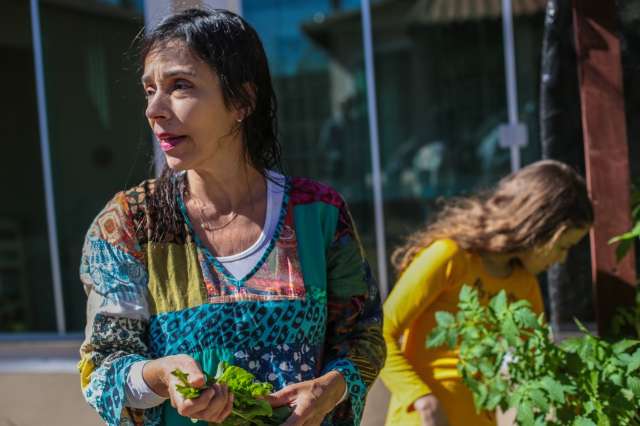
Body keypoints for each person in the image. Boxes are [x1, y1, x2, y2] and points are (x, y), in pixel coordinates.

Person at [78, 8, 384, 426]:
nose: (155, 109)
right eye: (149, 90)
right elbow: (103, 368)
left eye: (179, 86)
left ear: (242, 99)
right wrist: (161, 375)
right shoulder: (128, 225)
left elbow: (362, 337)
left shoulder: (320, 215)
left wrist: (330, 387)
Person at [379, 160, 593, 426]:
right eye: (563, 246)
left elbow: (538, 367)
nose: (562, 259)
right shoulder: (450, 257)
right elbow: (378, 332)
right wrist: (420, 397)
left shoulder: (525, 285)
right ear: (538, 227)